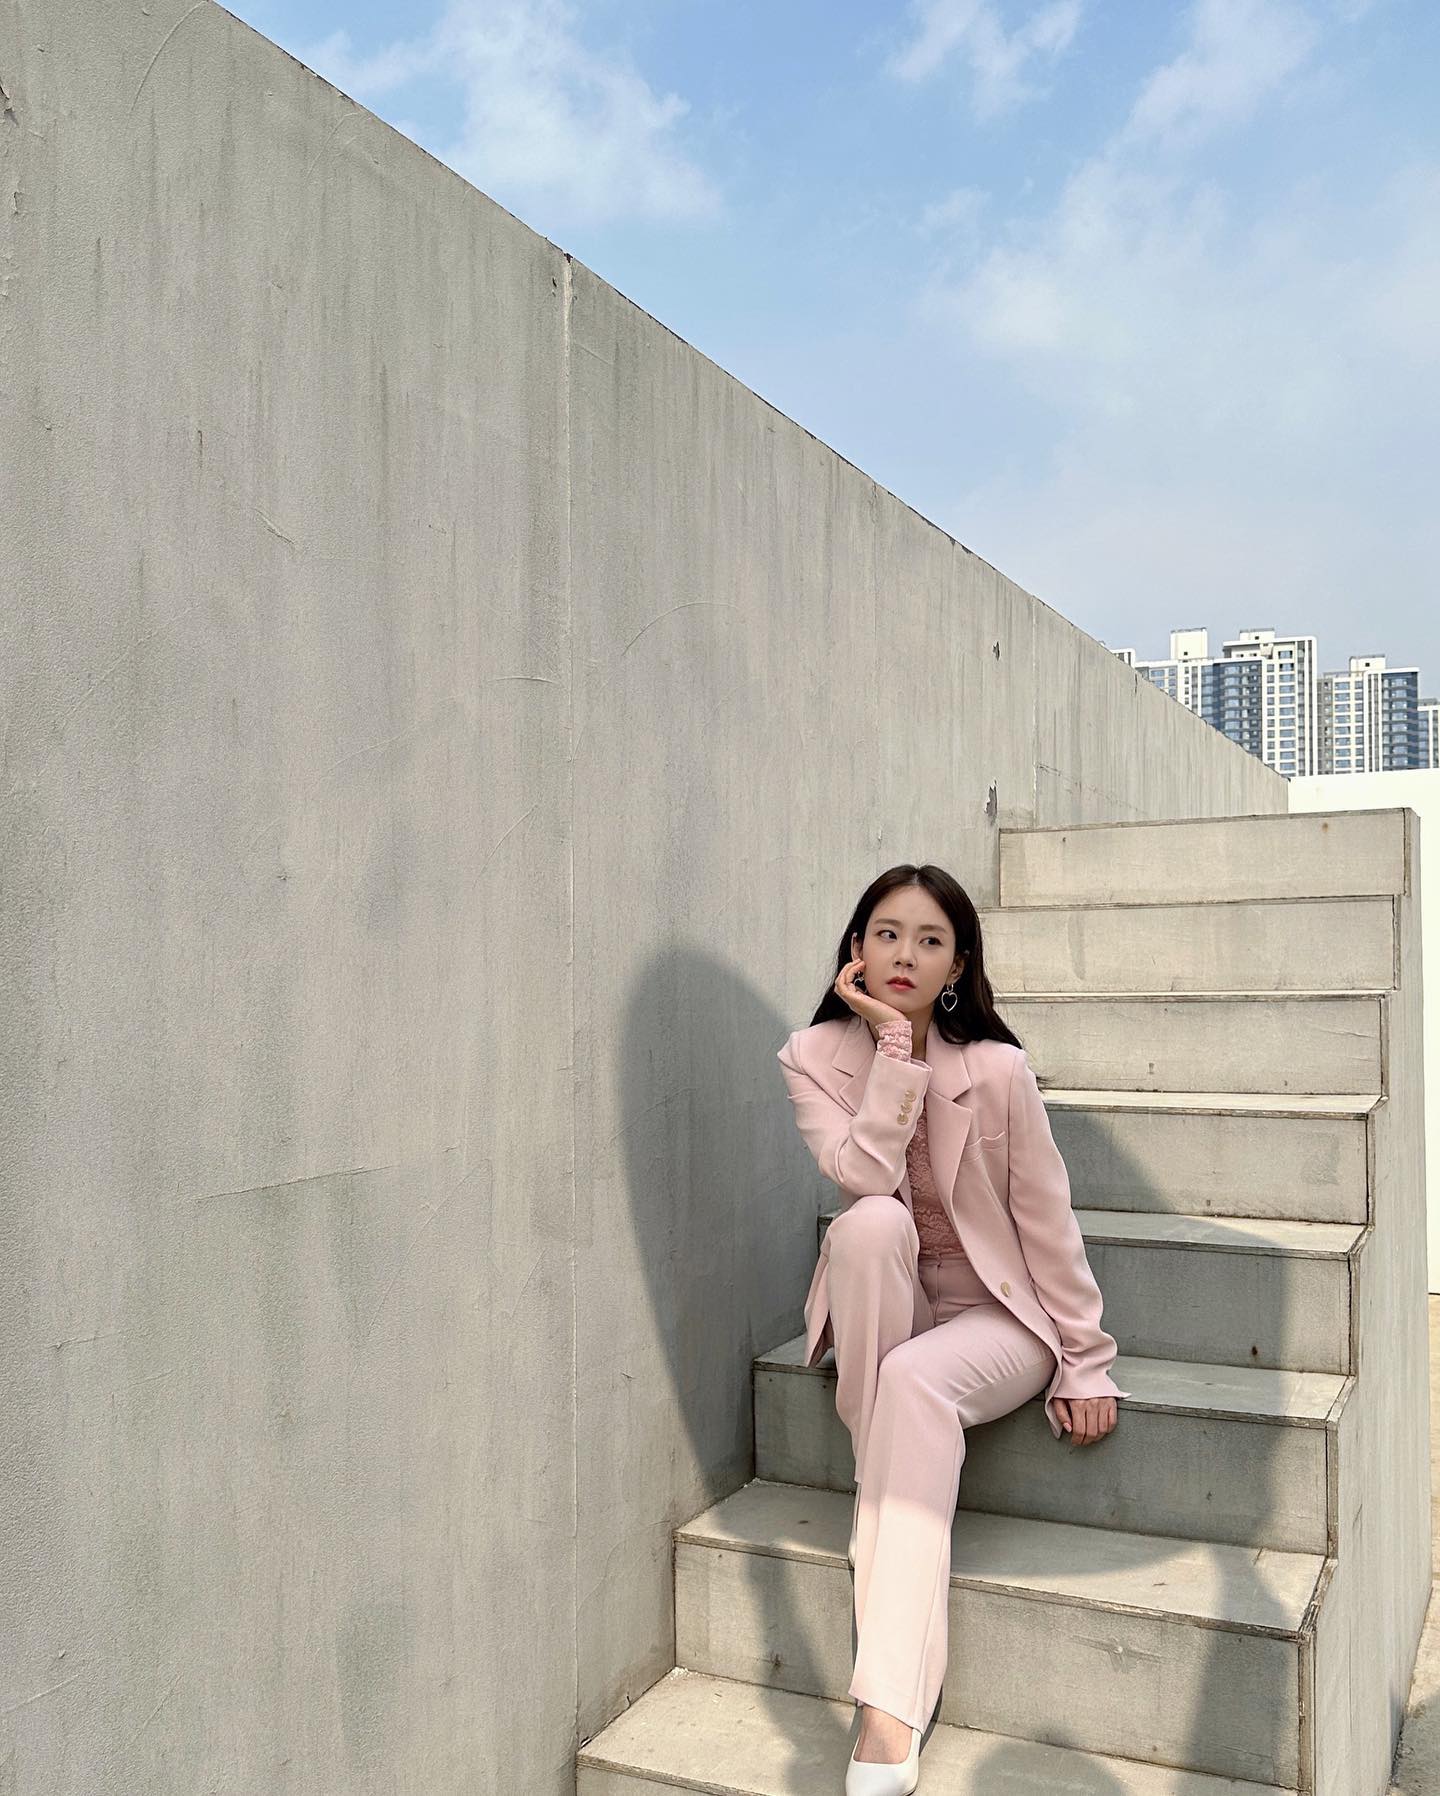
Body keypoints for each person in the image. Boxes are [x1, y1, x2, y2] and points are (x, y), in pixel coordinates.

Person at [776, 865, 1129, 1795]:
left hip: (994, 1315)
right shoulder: (812, 1056)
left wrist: (1085, 1361)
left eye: (930, 940)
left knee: (913, 1381)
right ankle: (888, 1488)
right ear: (857, 949)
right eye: (887, 934)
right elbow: (862, 1175)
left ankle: (887, 1711)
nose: (906, 954)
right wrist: (894, 1051)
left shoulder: (999, 1071)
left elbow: (1047, 1221)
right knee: (868, 1225)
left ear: (958, 965)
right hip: (887, 1299)